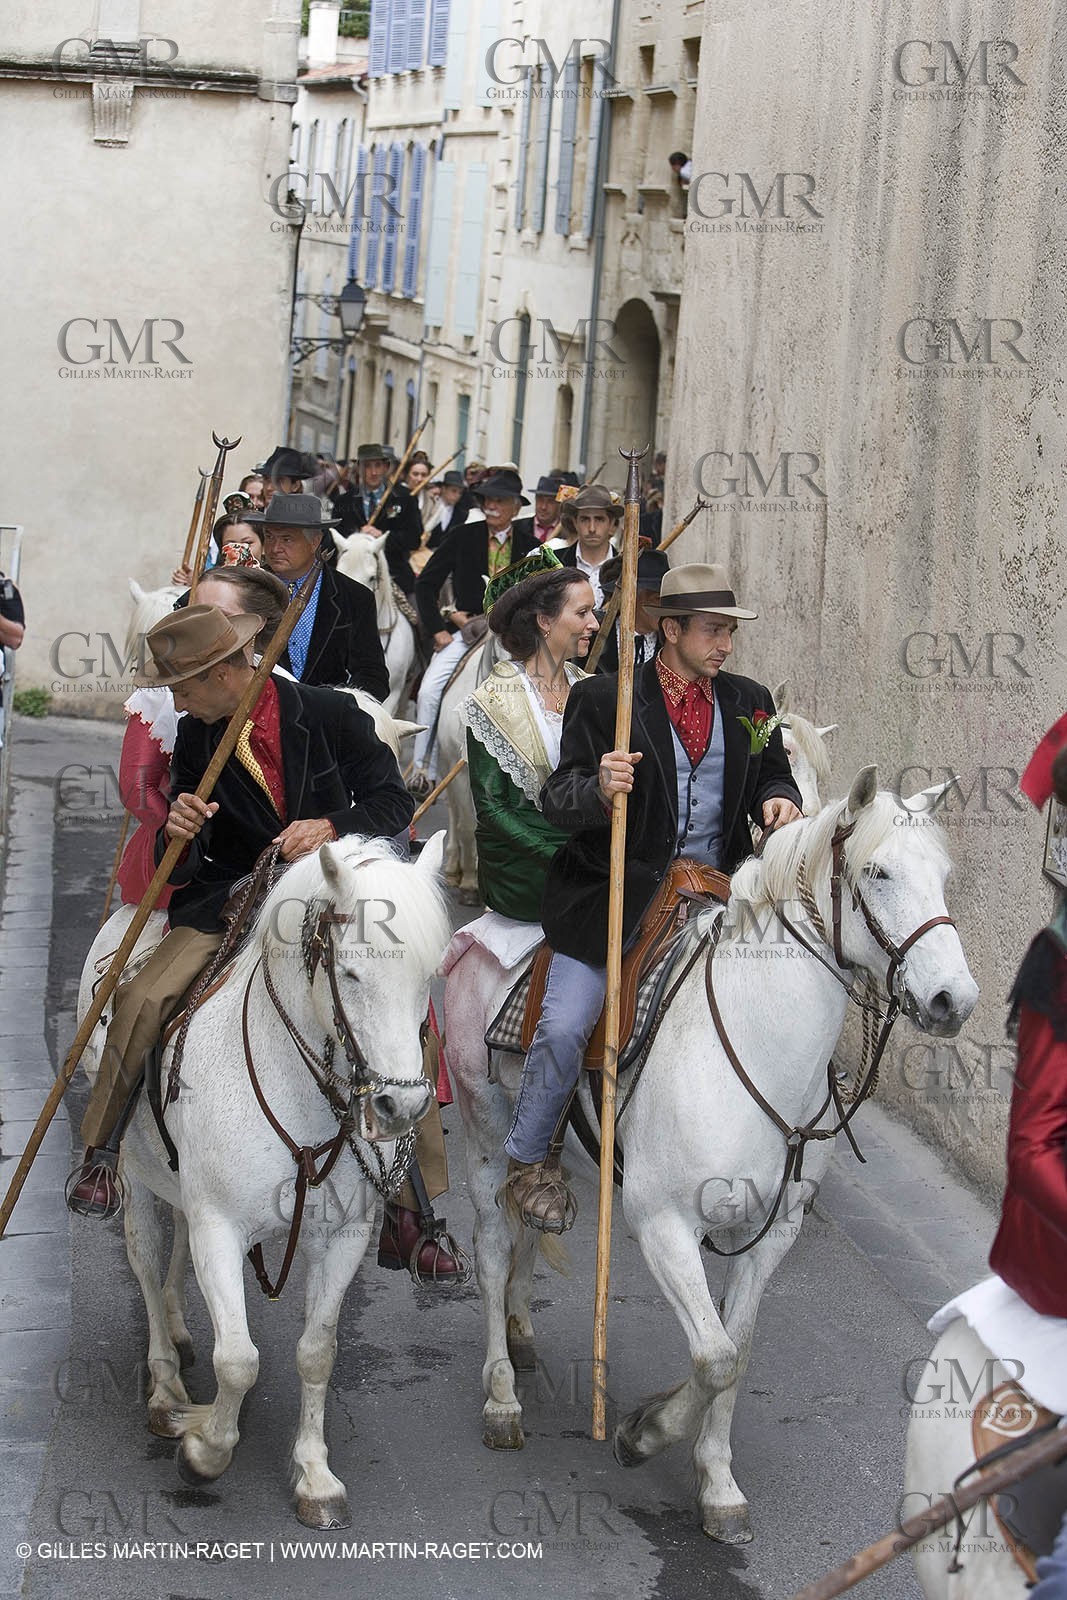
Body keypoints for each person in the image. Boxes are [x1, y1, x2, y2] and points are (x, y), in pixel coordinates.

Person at [66, 603, 414, 1215]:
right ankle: (102, 1150)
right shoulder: (200, 735)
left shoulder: (333, 714)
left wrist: (332, 824)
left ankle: (415, 1209)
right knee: (143, 996)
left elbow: (393, 805)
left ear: (224, 674)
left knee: (400, 1012)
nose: (175, 703)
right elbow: (196, 849)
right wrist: (182, 826)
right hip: (235, 899)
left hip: (331, 897)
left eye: (182, 688)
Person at [502, 563, 804, 1231]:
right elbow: (559, 800)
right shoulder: (604, 699)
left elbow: (770, 771)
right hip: (615, 895)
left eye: (729, 631)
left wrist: (778, 798)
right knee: (564, 1023)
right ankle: (531, 1157)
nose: (724, 644)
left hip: (719, 893)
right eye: (711, 630)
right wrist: (599, 785)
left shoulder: (750, 701)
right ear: (669, 630)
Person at [116, 567, 289, 909]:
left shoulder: (287, 687)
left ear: (254, 627)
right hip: (181, 861)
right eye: (194, 609)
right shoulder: (162, 696)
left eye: (220, 616)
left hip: (273, 869)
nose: (202, 623)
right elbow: (136, 785)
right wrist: (179, 835)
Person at [464, 555, 598, 921]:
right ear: (544, 622)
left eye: (593, 612)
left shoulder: (591, 689)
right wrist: (559, 858)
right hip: (523, 862)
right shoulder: (492, 700)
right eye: (582, 613)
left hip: (587, 847)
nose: (594, 624)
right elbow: (493, 810)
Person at [410, 468, 539, 790]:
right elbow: (426, 584)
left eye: (500, 500)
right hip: (468, 632)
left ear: (516, 506)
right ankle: (422, 770)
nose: (492, 505)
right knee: (428, 690)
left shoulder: (533, 547)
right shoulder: (462, 536)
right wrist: (438, 630)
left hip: (516, 639)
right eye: (487, 499)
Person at [249, 494, 389, 700]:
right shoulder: (248, 590)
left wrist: (335, 711)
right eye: (269, 537)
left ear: (315, 542)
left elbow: (372, 676)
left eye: (287, 539)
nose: (274, 548)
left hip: (326, 725)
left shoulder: (354, 598)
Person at [329, 443, 422, 597]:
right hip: (353, 574)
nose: (373, 472)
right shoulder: (343, 502)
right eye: (367, 466)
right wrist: (358, 536)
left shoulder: (405, 498)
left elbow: (414, 539)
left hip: (395, 574)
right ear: (359, 469)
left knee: (417, 616)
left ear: (386, 468)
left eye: (378, 466)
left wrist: (382, 536)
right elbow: (334, 540)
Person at [592, 548, 669, 674]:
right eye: (657, 599)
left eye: (666, 599)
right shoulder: (593, 636)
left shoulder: (672, 643)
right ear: (630, 597)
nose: (664, 607)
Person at [556, 484, 622, 605]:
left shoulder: (625, 569)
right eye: (585, 519)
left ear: (612, 524)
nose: (592, 528)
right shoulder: (555, 564)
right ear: (575, 523)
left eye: (599, 519)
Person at [527, 475, 564, 544]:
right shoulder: (517, 527)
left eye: (550, 501)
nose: (544, 507)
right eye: (540, 500)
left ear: (559, 504)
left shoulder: (567, 533)